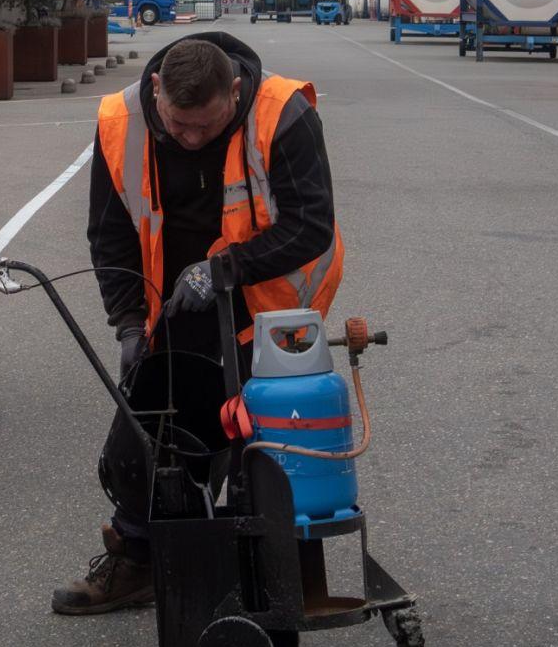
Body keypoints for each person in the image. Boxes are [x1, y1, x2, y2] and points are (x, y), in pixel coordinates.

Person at [52, 32, 342, 615]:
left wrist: (223, 270)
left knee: (261, 445)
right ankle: (140, 558)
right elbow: (110, 233)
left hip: (269, 306)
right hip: (174, 305)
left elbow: (311, 224)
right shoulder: (122, 121)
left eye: (205, 128)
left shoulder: (282, 113)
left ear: (233, 91)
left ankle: (266, 574)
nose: (189, 139)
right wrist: (129, 323)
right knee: (151, 434)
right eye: (178, 125)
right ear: (157, 89)